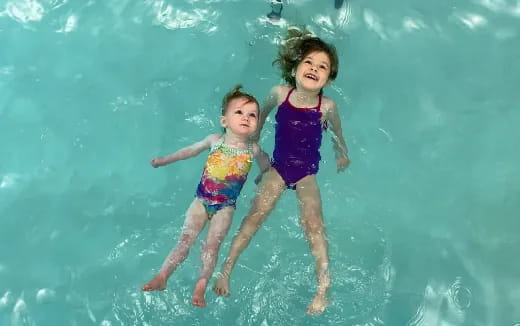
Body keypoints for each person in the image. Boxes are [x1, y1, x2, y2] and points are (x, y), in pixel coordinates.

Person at [212, 27, 350, 315]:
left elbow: (337, 133)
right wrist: (251, 143)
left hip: (306, 173)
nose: (314, 69)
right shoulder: (279, 93)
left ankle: (323, 288)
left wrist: (341, 154)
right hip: (278, 168)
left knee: (313, 224)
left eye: (322, 67)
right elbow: (259, 118)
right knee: (254, 218)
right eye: (309, 63)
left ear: (330, 77)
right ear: (296, 67)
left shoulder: (327, 107)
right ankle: (226, 270)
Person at [141, 85, 270, 308]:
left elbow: (266, 166)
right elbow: (188, 152)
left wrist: (263, 178)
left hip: (225, 207)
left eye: (252, 115)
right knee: (185, 239)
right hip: (201, 200)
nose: (246, 118)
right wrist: (163, 161)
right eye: (239, 112)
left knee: (211, 247)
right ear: (224, 121)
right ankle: (162, 276)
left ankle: (201, 285)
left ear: (257, 123)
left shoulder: (253, 150)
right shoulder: (214, 140)